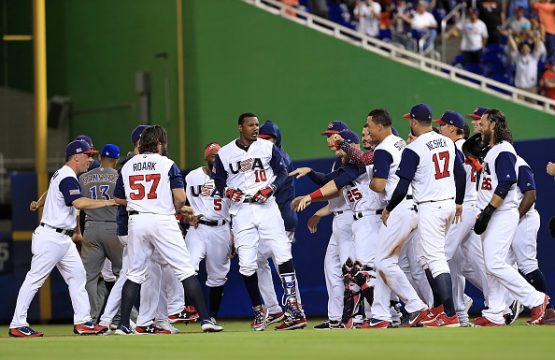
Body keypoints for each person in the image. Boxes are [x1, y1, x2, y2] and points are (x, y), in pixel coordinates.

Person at [113, 125, 222, 334]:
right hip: (162, 219)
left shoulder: (127, 166)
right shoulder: (167, 164)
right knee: (185, 270)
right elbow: (180, 198)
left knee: (134, 274)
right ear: (159, 143)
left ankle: (123, 325)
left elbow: (121, 197)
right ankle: (206, 320)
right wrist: (179, 210)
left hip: (137, 220)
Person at [328, 109, 430, 328]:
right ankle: (380, 315)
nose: (367, 130)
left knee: (384, 262)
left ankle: (416, 306)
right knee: (383, 263)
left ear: (379, 126)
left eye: (369, 125)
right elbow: (365, 158)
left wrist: (373, 184)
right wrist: (346, 146)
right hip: (412, 205)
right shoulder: (399, 142)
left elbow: (379, 185)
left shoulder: (383, 150)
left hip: (398, 207)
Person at [9, 140, 117, 337]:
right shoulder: (67, 176)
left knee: (78, 276)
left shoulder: (63, 174)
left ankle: (83, 321)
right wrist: (109, 201)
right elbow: (78, 202)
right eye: (88, 155)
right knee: (35, 279)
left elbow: (51, 192)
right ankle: (17, 323)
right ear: (76, 156)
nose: (90, 159)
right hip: (51, 237)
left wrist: (38, 203)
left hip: (63, 239)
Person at [213, 112, 306, 331]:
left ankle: (293, 307)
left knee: (283, 253)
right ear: (240, 127)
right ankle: (259, 309)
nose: (255, 128)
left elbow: (283, 172)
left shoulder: (266, 147)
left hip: (267, 207)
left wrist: (271, 187)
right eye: (251, 125)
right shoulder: (225, 153)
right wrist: (227, 190)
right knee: (246, 263)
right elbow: (218, 180)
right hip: (241, 210)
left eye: (257, 125)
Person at [384, 104, 466, 327]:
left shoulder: (415, 148)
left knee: (435, 259)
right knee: (423, 257)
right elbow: (460, 171)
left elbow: (402, 187)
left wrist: (389, 207)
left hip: (431, 206)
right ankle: (439, 308)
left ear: (413, 122)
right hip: (448, 203)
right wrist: (459, 201)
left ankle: (450, 314)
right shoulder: (448, 141)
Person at [293, 129, 385, 328]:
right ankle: (357, 317)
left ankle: (380, 313)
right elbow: (330, 179)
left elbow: (337, 183)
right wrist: (310, 173)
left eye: (339, 145)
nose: (333, 147)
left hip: (369, 219)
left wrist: (310, 197)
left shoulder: (359, 164)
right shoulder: (348, 165)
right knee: (354, 272)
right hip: (359, 219)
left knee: (363, 272)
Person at [472, 109, 548, 326]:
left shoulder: (504, 150)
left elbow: (507, 182)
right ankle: (496, 312)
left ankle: (536, 299)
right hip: (493, 212)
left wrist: (487, 212)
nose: (481, 127)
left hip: (502, 212)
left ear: (494, 125)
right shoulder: (493, 151)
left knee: (495, 263)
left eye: (484, 123)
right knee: (491, 265)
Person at [434, 111, 489, 326]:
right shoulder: (467, 146)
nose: (439, 129)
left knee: (442, 257)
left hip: (462, 207)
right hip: (469, 206)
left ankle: (454, 311)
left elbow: (456, 179)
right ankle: (490, 304)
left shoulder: (456, 147)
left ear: (452, 128)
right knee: (463, 262)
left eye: (442, 125)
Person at [300, 120, 356, 330]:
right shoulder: (340, 161)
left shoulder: (352, 160)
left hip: (353, 218)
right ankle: (336, 318)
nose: (328, 140)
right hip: (340, 217)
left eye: (332, 135)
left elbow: (337, 190)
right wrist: (317, 208)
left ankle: (356, 317)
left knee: (351, 270)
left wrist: (310, 199)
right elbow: (332, 187)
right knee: (332, 268)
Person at [98, 125, 149, 331]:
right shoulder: (133, 164)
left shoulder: (130, 163)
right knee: (135, 275)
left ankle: (107, 319)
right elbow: (120, 199)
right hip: (131, 226)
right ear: (140, 142)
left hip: (130, 226)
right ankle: (143, 321)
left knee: (129, 275)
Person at [256, 120, 299, 325]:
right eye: (262, 138)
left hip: (281, 219)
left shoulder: (277, 157)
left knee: (282, 265)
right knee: (258, 260)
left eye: (269, 138)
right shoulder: (270, 156)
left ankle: (292, 311)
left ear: (276, 139)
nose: (266, 142)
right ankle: (277, 309)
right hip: (278, 219)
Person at [184, 142, 232, 323]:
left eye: (218, 155)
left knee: (218, 276)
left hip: (221, 228)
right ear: (206, 157)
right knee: (188, 265)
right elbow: (182, 201)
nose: (215, 158)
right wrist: (187, 216)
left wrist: (234, 234)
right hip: (198, 227)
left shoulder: (230, 178)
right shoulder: (193, 176)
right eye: (212, 155)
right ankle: (189, 308)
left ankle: (211, 316)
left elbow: (236, 207)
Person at [78, 144, 123, 323]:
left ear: (100, 158)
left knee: (89, 277)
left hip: (91, 228)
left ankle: (90, 319)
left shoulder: (84, 177)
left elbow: (76, 205)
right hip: (113, 228)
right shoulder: (119, 177)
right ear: (116, 160)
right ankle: (122, 318)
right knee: (124, 274)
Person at [509, 29, 542, 94]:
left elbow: (537, 47)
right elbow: (514, 47)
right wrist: (509, 36)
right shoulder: (518, 57)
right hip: (520, 86)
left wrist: (537, 36)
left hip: (531, 86)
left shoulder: (533, 57)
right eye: (523, 47)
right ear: (521, 50)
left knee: (532, 104)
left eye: (527, 47)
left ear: (530, 49)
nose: (525, 49)